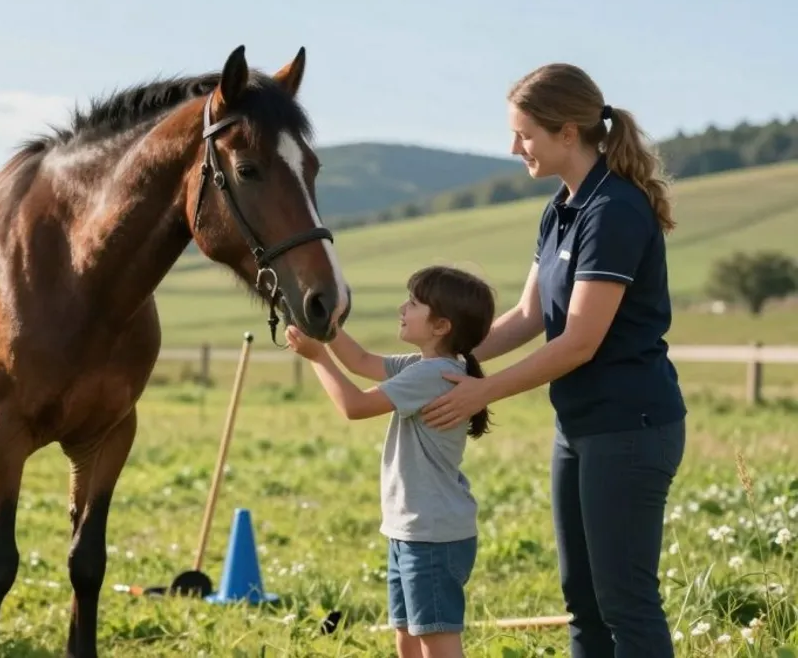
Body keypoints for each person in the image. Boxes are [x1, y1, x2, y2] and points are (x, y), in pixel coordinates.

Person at [419, 63, 687, 657]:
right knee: (583, 603)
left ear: (568, 132)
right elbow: (527, 317)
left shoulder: (613, 210)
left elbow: (579, 341)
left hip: (631, 429)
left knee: (626, 604)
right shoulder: (561, 208)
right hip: (580, 427)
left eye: (526, 135)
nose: (515, 148)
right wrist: (438, 359)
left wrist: (481, 391)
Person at [285, 265, 496, 658]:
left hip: (431, 534)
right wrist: (322, 321)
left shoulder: (435, 375)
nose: (403, 307)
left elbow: (355, 405)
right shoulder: (425, 366)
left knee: (437, 642)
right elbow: (360, 360)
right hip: (411, 530)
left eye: (414, 303)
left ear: (441, 326)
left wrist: (317, 358)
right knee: (407, 635)